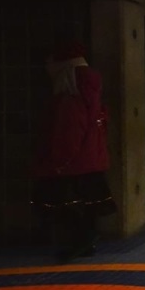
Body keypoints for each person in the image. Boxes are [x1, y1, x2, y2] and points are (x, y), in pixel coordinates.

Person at [32, 40, 116, 262]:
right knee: (88, 205)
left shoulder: (69, 98)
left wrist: (59, 161)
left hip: (72, 162)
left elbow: (68, 133)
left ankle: (82, 240)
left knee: (52, 202)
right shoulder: (92, 94)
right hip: (93, 160)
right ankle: (85, 242)